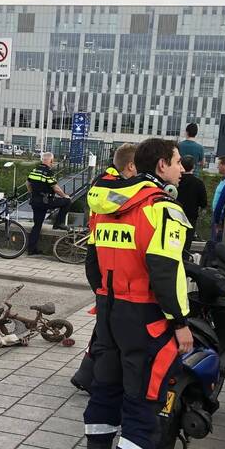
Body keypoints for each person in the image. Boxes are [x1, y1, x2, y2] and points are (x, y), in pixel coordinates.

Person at [82, 137, 193, 449]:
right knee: (142, 404)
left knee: (104, 391)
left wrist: (106, 297)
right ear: (161, 165)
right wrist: (180, 323)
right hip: (146, 316)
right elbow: (166, 271)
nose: (183, 169)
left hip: (109, 312)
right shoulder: (160, 209)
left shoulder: (104, 205)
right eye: (179, 162)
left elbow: (92, 265)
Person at [70, 144, 138, 392]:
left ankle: (89, 373)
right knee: (107, 322)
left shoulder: (107, 181)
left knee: (107, 321)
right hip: (101, 258)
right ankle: (91, 374)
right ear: (130, 166)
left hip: (100, 255)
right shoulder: (112, 185)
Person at [26, 152, 70, 255]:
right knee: (67, 202)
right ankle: (58, 223)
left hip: (35, 201)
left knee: (37, 225)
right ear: (51, 161)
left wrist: (31, 192)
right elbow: (55, 187)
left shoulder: (35, 170)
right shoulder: (48, 172)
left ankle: (31, 249)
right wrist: (64, 195)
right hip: (46, 201)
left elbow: (28, 183)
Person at [176, 155, 207, 250]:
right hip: (191, 217)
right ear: (193, 167)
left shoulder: (175, 181)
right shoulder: (198, 183)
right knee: (186, 243)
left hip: (175, 215)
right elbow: (203, 202)